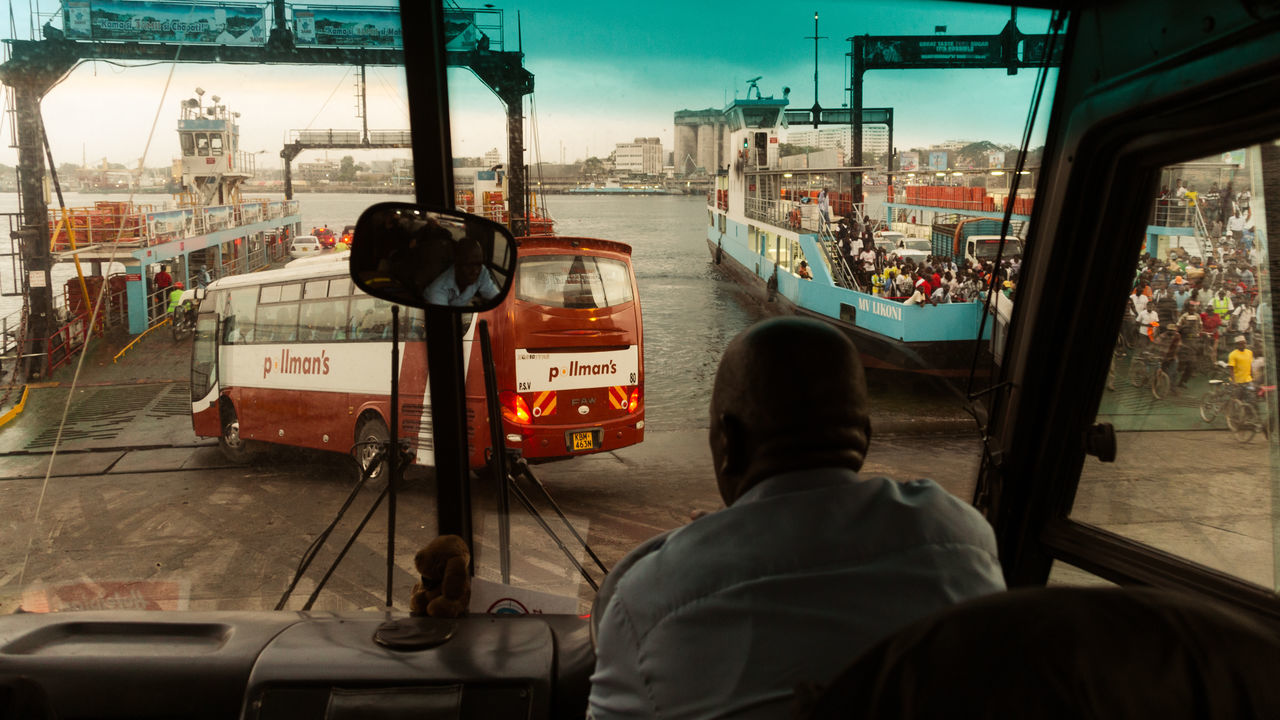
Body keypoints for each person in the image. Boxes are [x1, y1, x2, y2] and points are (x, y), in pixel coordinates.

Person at [587, 318, 1006, 719]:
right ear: (864, 435)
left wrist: (709, 542)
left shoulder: (649, 599)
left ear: (728, 442)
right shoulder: (963, 538)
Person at [423, 236, 499, 307]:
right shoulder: (437, 290)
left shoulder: (482, 271)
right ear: (457, 263)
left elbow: (496, 296)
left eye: (479, 264)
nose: (475, 271)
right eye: (469, 265)